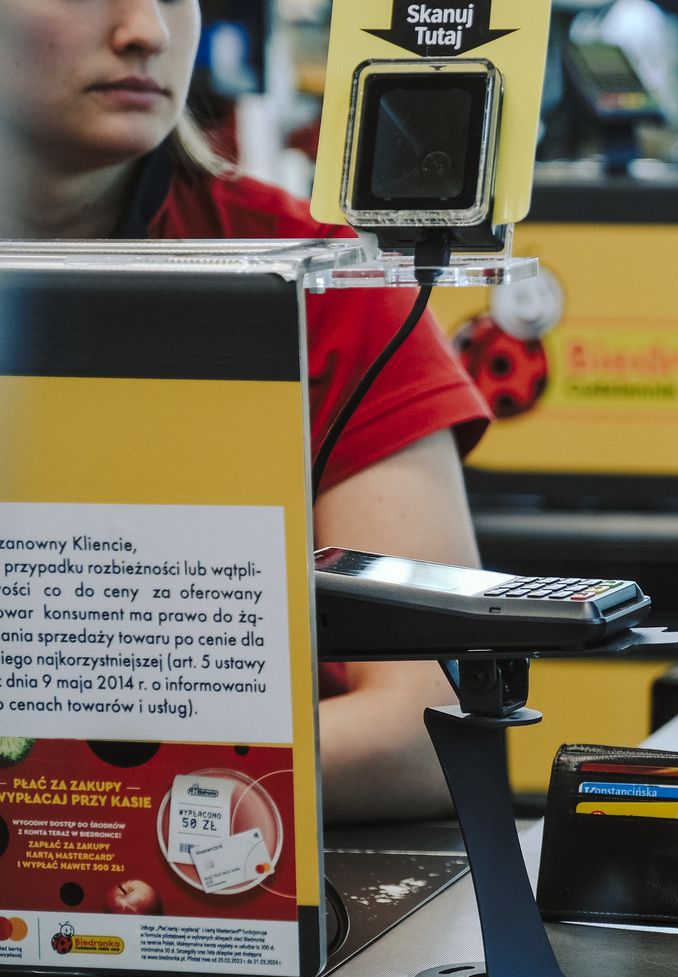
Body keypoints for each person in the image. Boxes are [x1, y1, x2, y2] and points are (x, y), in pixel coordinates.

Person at [0, 0, 493, 823]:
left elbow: (433, 722)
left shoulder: (318, 281)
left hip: (224, 892)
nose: (147, 31)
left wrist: (91, 799)